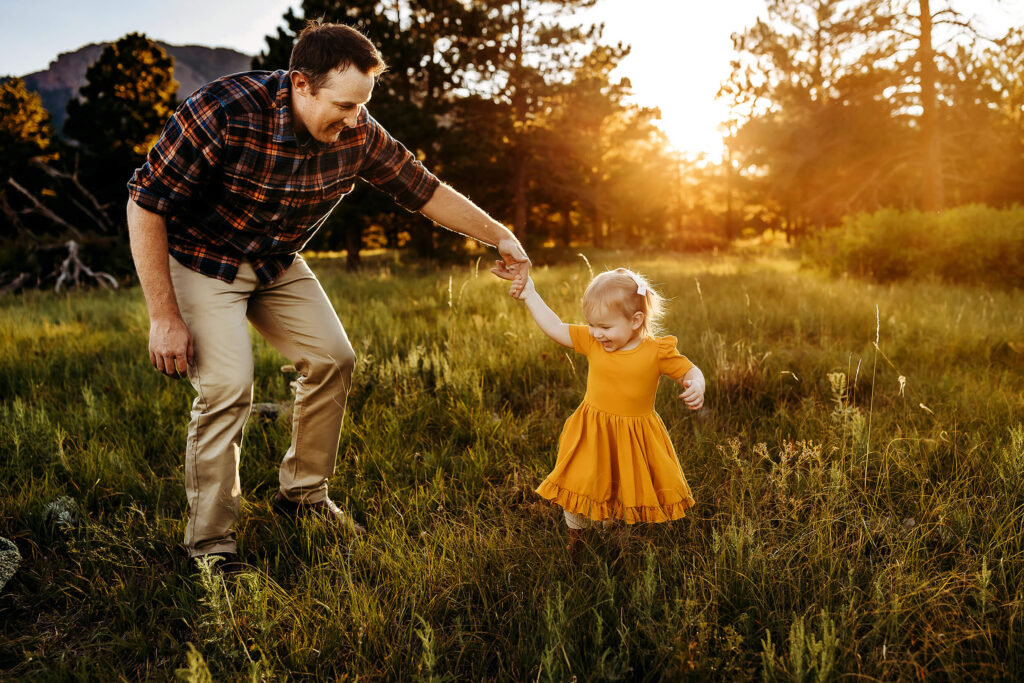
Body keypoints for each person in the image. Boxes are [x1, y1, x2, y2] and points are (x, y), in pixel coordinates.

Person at [125, 21, 529, 568]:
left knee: (333, 359)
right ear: (300, 84)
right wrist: (163, 315)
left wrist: (500, 235)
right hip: (202, 261)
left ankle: (304, 496)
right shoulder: (223, 109)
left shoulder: (357, 131)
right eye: (343, 105)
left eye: (362, 105)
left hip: (275, 262)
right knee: (228, 386)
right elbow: (145, 203)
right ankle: (212, 546)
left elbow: (422, 189)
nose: (354, 119)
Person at [501, 267, 704, 551]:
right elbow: (556, 327)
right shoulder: (594, 342)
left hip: (633, 436)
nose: (596, 333)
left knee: (622, 487)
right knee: (578, 483)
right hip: (591, 430)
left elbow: (689, 370)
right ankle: (577, 541)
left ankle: (618, 543)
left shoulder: (656, 351)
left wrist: (697, 384)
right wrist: (530, 293)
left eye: (605, 327)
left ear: (636, 320)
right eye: (591, 324)